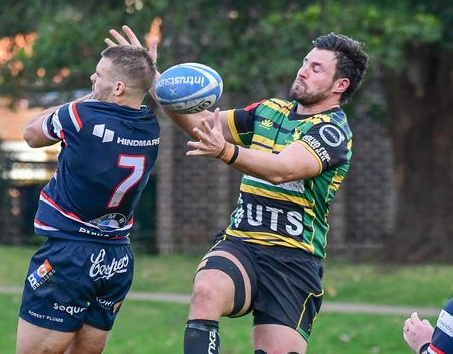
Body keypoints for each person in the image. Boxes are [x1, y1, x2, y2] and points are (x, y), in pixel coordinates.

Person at [106, 25, 369, 353]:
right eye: (305, 62)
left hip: (294, 262)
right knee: (207, 290)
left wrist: (225, 151)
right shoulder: (268, 112)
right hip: (242, 243)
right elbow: (201, 124)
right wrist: (153, 76)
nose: (303, 70)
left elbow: (284, 169)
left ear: (340, 85)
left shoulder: (333, 132)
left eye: (316, 69)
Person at [16, 44, 159, 354]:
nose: (93, 77)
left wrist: (86, 98)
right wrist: (148, 76)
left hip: (70, 255)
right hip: (117, 258)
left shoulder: (80, 115)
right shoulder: (151, 126)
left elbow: (31, 134)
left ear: (118, 87)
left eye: (101, 74)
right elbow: (141, 96)